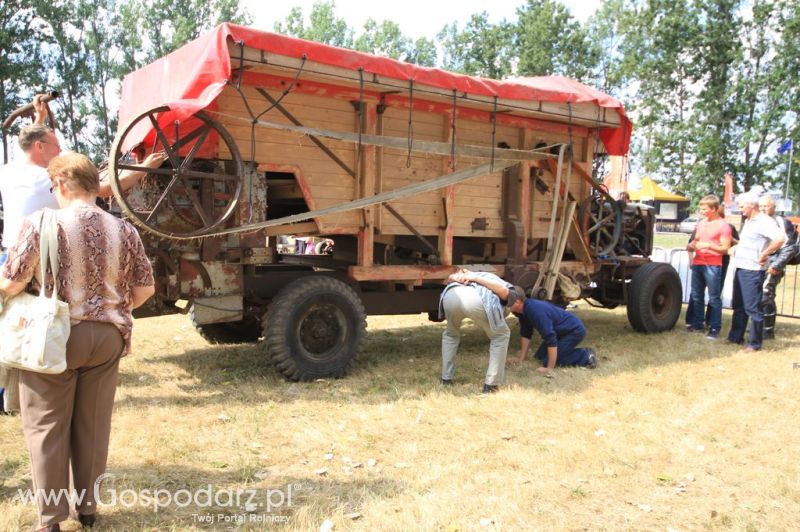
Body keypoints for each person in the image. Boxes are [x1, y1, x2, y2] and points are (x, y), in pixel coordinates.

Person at [0, 153, 155, 531]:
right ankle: (87, 510)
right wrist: (113, 309)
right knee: (93, 424)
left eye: (53, 187)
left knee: (47, 426)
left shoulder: (40, 222)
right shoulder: (124, 229)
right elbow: (146, 289)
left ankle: (50, 520)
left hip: (53, 337)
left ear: (63, 183)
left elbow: (12, 282)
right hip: (107, 338)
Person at [438, 269, 523, 393]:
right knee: (501, 335)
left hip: (451, 295)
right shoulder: (512, 291)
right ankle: (491, 385)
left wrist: (458, 277)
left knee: (451, 334)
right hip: (473, 299)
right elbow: (504, 292)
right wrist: (475, 278)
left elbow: (448, 279)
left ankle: (446, 379)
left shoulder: (479, 274)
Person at [726, 192, 785, 351]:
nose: (739, 209)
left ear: (751, 205)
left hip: (752, 270)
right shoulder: (749, 221)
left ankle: (754, 343)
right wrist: (736, 247)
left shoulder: (764, 221)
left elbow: (780, 239)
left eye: (741, 206)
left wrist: (766, 254)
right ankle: (735, 337)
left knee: (753, 308)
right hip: (740, 267)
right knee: (739, 305)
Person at [508, 295, 597, 373]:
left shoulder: (535, 311)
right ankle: (564, 354)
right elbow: (526, 334)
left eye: (506, 301)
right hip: (559, 332)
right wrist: (521, 359)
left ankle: (586, 355)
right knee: (539, 357)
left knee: (548, 361)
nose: (504, 304)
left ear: (518, 301)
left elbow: (550, 338)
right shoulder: (523, 312)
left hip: (573, 331)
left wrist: (549, 368)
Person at [685, 203, 739, 331]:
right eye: (701, 208)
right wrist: (691, 249)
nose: (701, 211)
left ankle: (714, 326)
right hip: (699, 263)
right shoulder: (701, 224)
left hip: (715, 264)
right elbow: (692, 242)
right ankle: (697, 324)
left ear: (714, 210)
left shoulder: (725, 227)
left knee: (714, 297)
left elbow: (728, 248)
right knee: (697, 295)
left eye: (704, 209)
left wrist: (708, 245)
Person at [757, 195, 799, 339]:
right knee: (757, 293)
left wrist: (777, 265)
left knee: (766, 293)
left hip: (774, 263)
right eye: (760, 206)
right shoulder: (757, 221)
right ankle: (757, 325)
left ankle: (767, 330)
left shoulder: (782, 222)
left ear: (773, 207)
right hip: (759, 263)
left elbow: (790, 247)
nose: (762, 209)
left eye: (766, 206)